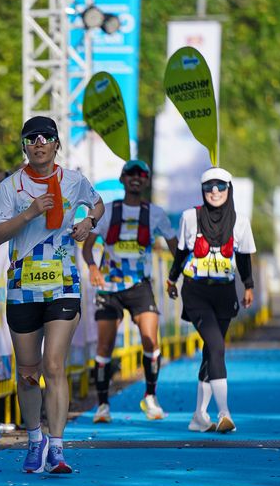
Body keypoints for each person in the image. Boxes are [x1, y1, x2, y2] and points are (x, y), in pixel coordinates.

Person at [0, 116, 104, 473]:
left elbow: (97, 204)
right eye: (32, 138)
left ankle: (57, 448)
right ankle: (34, 440)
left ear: (56, 144)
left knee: (53, 364)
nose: (39, 143)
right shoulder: (11, 186)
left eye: (46, 137)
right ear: (25, 146)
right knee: (28, 372)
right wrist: (29, 213)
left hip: (63, 285)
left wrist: (89, 222)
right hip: (23, 287)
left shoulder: (73, 181)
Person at [82, 159, 177, 423]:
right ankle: (102, 405)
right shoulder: (108, 211)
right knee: (104, 345)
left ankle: (150, 397)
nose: (136, 177)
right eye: (130, 174)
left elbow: (174, 247)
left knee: (151, 340)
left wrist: (177, 274)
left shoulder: (155, 213)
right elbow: (87, 247)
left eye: (141, 174)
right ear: (122, 179)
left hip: (139, 286)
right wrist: (93, 268)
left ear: (146, 181)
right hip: (109, 286)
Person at [166, 166, 255, 433]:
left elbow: (244, 258)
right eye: (208, 187)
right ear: (202, 190)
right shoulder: (190, 217)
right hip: (196, 292)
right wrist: (171, 279)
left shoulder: (240, 222)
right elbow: (181, 253)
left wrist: (248, 286)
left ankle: (199, 416)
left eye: (220, 186)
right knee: (216, 346)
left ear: (229, 189)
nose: (214, 191)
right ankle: (224, 413)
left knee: (210, 351)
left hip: (224, 293)